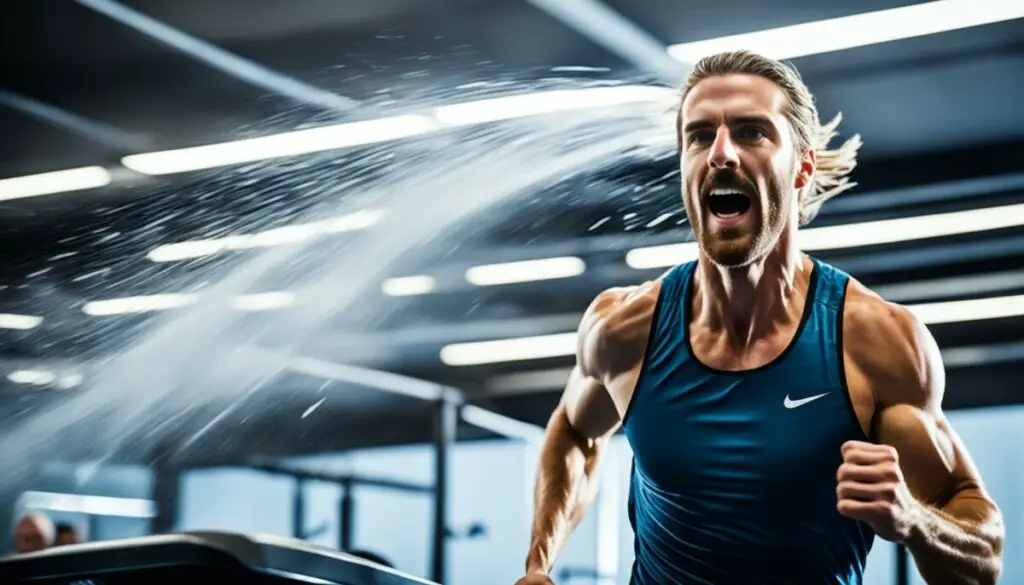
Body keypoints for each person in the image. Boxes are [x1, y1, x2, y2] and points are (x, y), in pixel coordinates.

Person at [515, 50, 1005, 584]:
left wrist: (914, 521)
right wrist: (539, 564)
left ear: (803, 165)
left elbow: (982, 562)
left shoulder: (875, 341)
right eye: (700, 136)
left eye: (751, 132)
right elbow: (575, 434)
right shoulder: (623, 328)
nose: (720, 152)